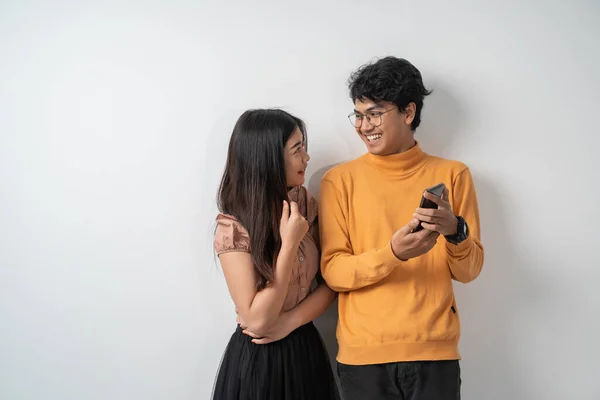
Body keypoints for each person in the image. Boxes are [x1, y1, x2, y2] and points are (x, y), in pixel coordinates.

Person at [318, 56, 485, 400]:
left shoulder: (453, 175)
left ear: (408, 113)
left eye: (375, 113)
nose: (364, 126)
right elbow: (334, 272)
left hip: (434, 352)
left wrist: (455, 230)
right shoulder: (339, 181)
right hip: (363, 356)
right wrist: (393, 254)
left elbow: (468, 271)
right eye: (359, 115)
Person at [211, 109, 340, 400]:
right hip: (259, 359)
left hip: (304, 350)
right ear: (269, 159)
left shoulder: (304, 205)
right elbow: (257, 321)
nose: (306, 157)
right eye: (297, 150)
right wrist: (289, 244)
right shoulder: (234, 227)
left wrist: (290, 322)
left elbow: (331, 283)